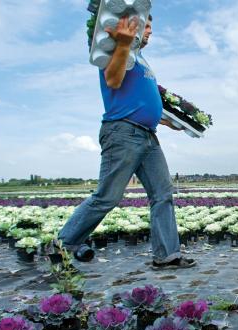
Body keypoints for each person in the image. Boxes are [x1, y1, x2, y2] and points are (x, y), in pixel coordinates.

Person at [57, 14, 195, 269]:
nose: (151, 32)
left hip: (147, 135)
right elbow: (113, 80)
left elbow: (139, 97)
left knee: (163, 194)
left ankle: (167, 255)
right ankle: (63, 244)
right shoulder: (113, 49)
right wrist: (123, 42)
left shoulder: (142, 60)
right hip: (123, 132)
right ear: (134, 24)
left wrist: (165, 119)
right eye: (148, 26)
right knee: (107, 197)